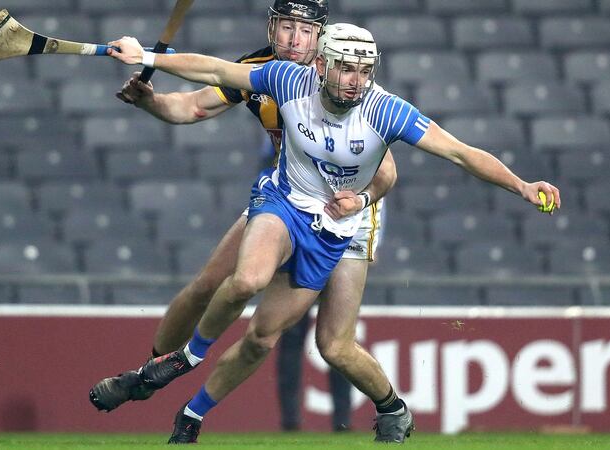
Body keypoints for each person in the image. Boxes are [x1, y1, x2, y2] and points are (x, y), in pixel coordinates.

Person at [105, 22, 561, 444]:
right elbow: (216, 69)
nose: (354, 80)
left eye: (363, 71)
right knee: (246, 279)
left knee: (307, 342)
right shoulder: (285, 79)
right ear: (321, 65)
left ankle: (197, 413)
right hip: (283, 202)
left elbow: (458, 154)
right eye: (345, 68)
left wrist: (522, 185)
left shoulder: (384, 111)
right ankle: (183, 360)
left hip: (338, 229)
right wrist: (147, 56)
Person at [89, 0, 387, 432]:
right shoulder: (261, 69)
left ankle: (389, 410)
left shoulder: (344, 72)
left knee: (330, 342)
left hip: (347, 214)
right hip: (287, 198)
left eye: (305, 30)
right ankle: (148, 375)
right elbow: (193, 105)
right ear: (272, 27)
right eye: (286, 27)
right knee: (209, 284)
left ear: (322, 37)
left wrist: (358, 202)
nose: (294, 40)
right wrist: (151, 102)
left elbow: (387, 170)